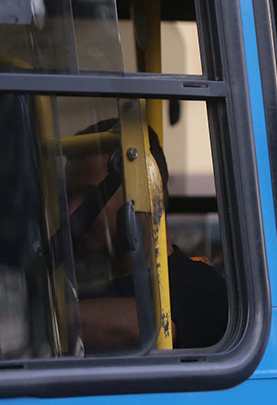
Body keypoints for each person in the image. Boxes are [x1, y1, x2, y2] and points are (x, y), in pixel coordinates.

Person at [66, 119, 227, 351]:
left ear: (145, 199)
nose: (71, 211)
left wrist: (36, 320)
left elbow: (146, 328)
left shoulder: (201, 286)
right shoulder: (83, 285)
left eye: (89, 195)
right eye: (68, 196)